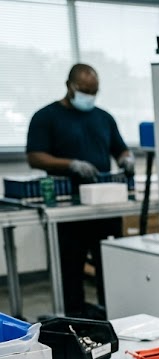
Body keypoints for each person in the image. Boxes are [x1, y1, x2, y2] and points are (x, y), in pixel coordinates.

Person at [26, 63, 134, 319]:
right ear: (70, 86)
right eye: (85, 90)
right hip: (68, 207)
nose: (89, 95)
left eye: (94, 91)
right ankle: (73, 318)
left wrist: (126, 159)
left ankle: (111, 314)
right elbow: (35, 157)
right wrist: (70, 164)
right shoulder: (46, 117)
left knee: (109, 264)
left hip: (104, 205)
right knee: (70, 267)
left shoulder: (103, 117)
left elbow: (120, 149)